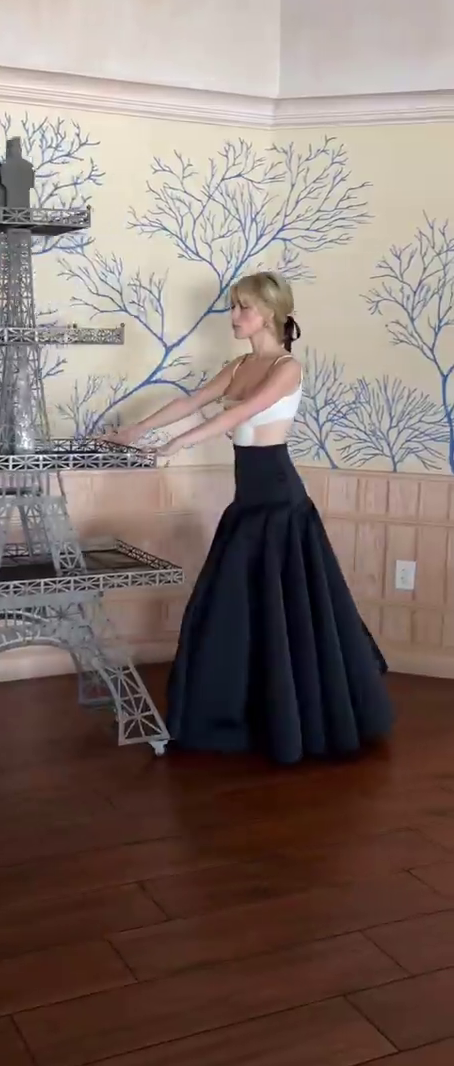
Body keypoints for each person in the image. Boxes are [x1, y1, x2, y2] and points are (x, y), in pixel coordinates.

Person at [104, 271, 393, 765]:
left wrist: (177, 444)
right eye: (233, 306)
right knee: (230, 610)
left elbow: (235, 416)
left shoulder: (287, 368)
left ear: (270, 314)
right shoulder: (238, 364)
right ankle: (242, 716)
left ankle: (293, 720)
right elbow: (192, 402)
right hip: (248, 503)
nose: (234, 316)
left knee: (285, 615)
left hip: (281, 503)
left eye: (243, 307)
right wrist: (136, 431)